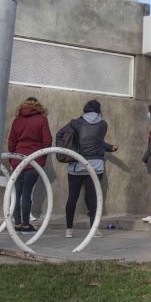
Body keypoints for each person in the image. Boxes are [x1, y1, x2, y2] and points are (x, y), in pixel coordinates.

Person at [56, 99, 118, 238]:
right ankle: (94, 229)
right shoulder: (103, 124)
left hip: (76, 165)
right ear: (98, 111)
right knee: (93, 198)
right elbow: (98, 142)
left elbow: (60, 134)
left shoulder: (75, 123)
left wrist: (64, 150)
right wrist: (110, 148)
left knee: (72, 196)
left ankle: (69, 230)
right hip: (95, 166)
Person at [6, 97, 52, 232]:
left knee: (16, 192)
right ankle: (26, 223)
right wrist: (42, 157)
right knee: (27, 191)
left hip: (18, 159)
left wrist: (12, 159)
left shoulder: (17, 120)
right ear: (38, 106)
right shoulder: (42, 119)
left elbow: (11, 141)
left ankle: (17, 223)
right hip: (34, 160)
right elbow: (47, 141)